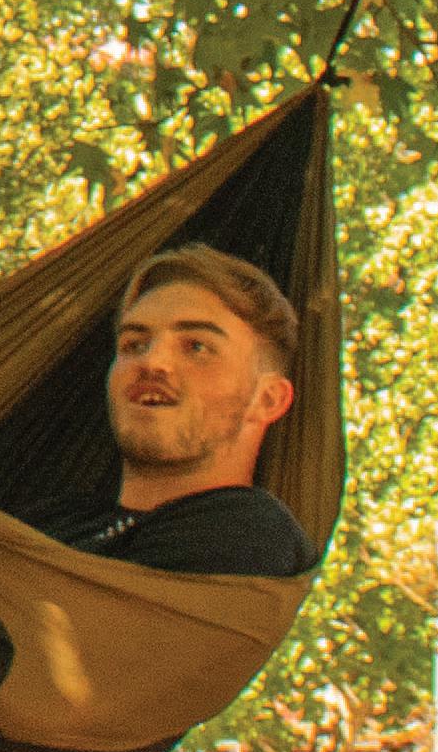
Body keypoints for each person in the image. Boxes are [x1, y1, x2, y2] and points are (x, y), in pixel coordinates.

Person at [31, 244, 314, 577]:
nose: (152, 362)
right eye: (134, 344)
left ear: (267, 400)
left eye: (196, 346)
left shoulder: (253, 533)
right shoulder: (54, 518)